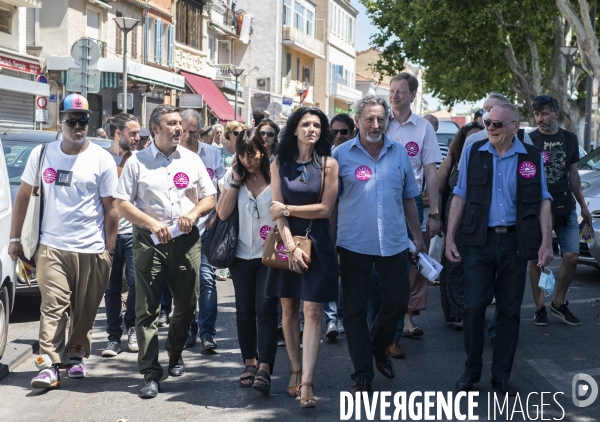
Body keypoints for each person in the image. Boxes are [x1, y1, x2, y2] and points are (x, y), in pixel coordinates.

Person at [8, 93, 118, 389]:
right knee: (53, 306)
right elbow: (22, 197)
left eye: (83, 121)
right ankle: (49, 365)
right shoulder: (42, 154)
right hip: (51, 247)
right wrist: (15, 238)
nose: (78, 126)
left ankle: (77, 356)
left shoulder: (101, 158)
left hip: (92, 249)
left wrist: (109, 250)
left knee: (85, 310)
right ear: (61, 123)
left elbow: (111, 209)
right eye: (72, 120)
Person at [446, 103, 553, 395]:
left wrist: (546, 242)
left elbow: (543, 199)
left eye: (497, 124)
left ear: (515, 127)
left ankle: (501, 375)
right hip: (479, 241)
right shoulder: (474, 151)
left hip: (515, 243)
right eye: (487, 122)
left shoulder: (531, 156)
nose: (490, 128)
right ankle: (471, 371)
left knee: (509, 311)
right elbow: (460, 194)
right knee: (473, 308)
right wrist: (450, 237)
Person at [114, 105, 216, 399]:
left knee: (186, 304)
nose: (179, 129)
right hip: (149, 241)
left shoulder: (192, 159)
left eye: (179, 124)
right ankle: (149, 371)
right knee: (147, 309)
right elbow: (121, 203)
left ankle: (174, 352)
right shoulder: (137, 162)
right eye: (172, 124)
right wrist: (151, 223)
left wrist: (194, 212)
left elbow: (210, 197)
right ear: (156, 129)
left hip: (185, 241)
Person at [333, 95, 425, 394]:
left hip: (395, 242)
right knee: (355, 311)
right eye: (369, 119)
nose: (375, 124)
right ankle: (362, 374)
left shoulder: (399, 153)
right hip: (353, 243)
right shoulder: (340, 155)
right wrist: (331, 243)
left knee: (397, 301)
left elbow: (408, 197)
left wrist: (418, 236)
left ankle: (376, 346)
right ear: (357, 120)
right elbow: (331, 204)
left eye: (380, 119)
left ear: (387, 121)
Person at [265, 107, 339, 408]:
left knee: (313, 312)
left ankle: (308, 381)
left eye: (317, 125)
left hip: (318, 241)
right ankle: (294, 369)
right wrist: (290, 248)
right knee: (288, 307)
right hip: (287, 242)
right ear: (294, 129)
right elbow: (275, 210)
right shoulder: (278, 163)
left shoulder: (329, 165)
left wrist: (288, 210)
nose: (312, 129)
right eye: (306, 124)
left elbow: (324, 209)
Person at [216, 129, 279, 394]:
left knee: (265, 310)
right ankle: (249, 363)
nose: (248, 161)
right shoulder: (232, 177)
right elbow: (221, 213)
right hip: (240, 256)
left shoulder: (276, 175)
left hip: (270, 255)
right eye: (242, 155)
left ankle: (265, 367)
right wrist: (236, 182)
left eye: (251, 154)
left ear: (262, 150)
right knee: (244, 312)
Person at [383, 72, 442, 356]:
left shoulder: (423, 129)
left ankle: (393, 335)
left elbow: (431, 172)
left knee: (403, 268)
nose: (395, 95)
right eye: (391, 90)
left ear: (412, 95)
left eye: (400, 91)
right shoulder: (378, 121)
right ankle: (375, 330)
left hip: (411, 202)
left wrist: (435, 212)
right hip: (377, 201)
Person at [528, 95, 592, 326]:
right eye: (537, 114)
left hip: (565, 207)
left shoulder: (569, 138)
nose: (540, 119)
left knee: (571, 256)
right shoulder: (528, 139)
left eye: (544, 113)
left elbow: (573, 175)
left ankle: (558, 303)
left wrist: (583, 206)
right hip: (537, 210)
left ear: (556, 113)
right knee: (538, 261)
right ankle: (538, 308)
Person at [179, 109, 226, 350]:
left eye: (193, 132)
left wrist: (215, 215)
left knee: (207, 280)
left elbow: (222, 190)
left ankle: (208, 332)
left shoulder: (212, 154)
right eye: (183, 131)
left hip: (208, 226)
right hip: (181, 230)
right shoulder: (172, 155)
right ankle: (189, 329)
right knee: (185, 283)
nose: (187, 136)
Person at [437, 122, 484, 329]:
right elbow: (438, 188)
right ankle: (457, 313)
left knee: (474, 266)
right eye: (469, 138)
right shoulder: (454, 159)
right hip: (454, 215)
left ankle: (471, 309)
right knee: (455, 264)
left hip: (478, 217)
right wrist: (436, 217)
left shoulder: (486, 158)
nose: (473, 142)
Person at [102, 113, 141, 358]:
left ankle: (133, 326)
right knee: (112, 287)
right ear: (118, 134)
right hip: (106, 234)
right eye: (133, 133)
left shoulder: (140, 160)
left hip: (134, 232)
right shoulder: (101, 158)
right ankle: (113, 338)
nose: (138, 138)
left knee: (137, 283)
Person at [323, 113, 355, 340]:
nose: (339, 136)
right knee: (331, 272)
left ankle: (341, 316)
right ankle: (332, 319)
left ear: (352, 132)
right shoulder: (324, 157)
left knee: (346, 274)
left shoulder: (356, 156)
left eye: (344, 131)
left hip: (352, 225)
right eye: (334, 132)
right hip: (329, 222)